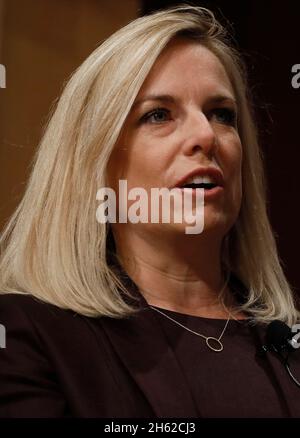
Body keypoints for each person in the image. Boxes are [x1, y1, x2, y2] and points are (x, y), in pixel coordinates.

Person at [0, 4, 300, 418]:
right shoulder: (26, 337)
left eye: (222, 115)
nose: (205, 135)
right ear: (95, 161)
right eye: (158, 114)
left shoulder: (288, 340)